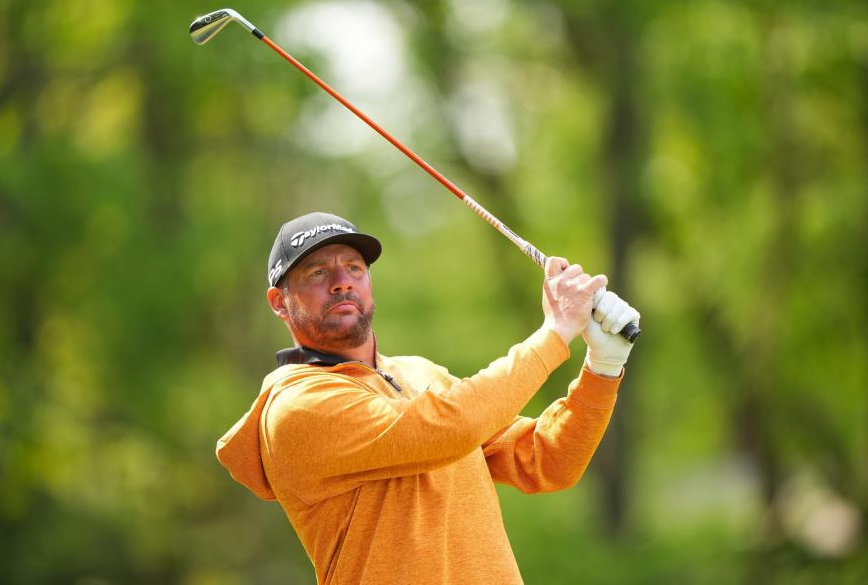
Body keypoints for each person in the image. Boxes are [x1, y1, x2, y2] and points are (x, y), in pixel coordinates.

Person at [217, 212, 640, 584]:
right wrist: (555, 332)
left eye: (355, 268)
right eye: (317, 273)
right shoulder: (297, 407)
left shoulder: (421, 373)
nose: (342, 282)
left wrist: (602, 368)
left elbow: (546, 461)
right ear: (280, 303)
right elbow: (449, 427)